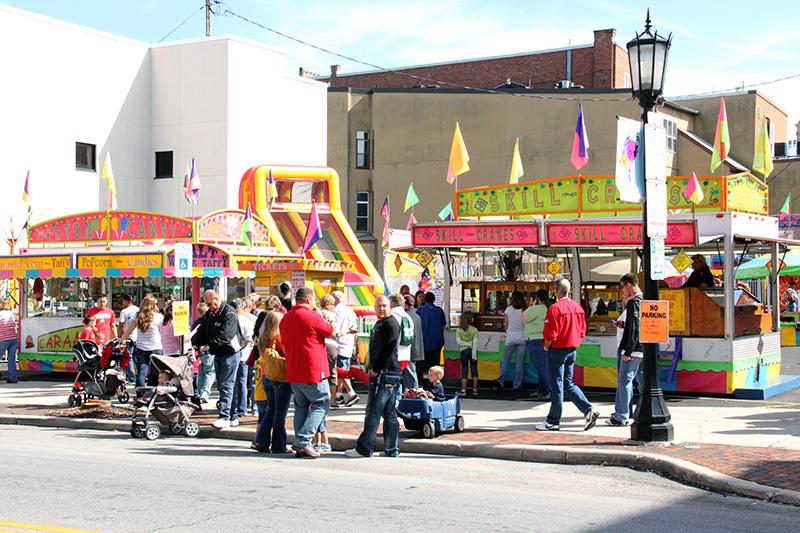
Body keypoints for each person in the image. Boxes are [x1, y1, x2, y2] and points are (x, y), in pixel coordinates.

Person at [536, 278, 599, 432]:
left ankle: (553, 420)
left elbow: (550, 334)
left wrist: (546, 346)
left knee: (557, 385)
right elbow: (582, 331)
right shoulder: (577, 307)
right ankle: (588, 410)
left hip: (557, 349)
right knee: (568, 383)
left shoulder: (554, 309)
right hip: (572, 349)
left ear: (556, 291)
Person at [279, 287, 334, 459]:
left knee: (301, 406)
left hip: (294, 369)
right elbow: (330, 330)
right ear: (309, 300)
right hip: (313, 369)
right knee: (322, 403)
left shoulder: (286, 318)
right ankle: (303, 440)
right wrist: (318, 313)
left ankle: (302, 444)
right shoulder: (312, 316)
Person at [345, 295, 402, 458]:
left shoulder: (391, 323)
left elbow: (388, 348)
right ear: (374, 308)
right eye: (379, 306)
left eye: (385, 306)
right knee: (388, 412)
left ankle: (364, 449)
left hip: (385, 373)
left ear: (390, 306)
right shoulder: (380, 323)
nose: (382, 309)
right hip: (387, 372)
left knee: (373, 411)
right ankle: (391, 449)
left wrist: (376, 369)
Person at [191, 290, 244, 429]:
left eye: (210, 303)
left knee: (227, 385)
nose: (209, 307)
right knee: (223, 385)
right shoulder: (209, 314)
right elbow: (202, 330)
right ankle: (232, 415)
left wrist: (208, 346)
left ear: (217, 299)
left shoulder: (229, 313)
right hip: (218, 353)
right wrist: (196, 344)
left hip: (230, 353)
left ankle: (225, 416)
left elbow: (226, 335)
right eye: (207, 304)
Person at [251, 310, 292, 454]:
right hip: (279, 377)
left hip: (266, 375)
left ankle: (261, 440)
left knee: (271, 410)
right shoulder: (279, 337)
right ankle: (278, 445)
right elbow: (288, 354)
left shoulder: (262, 337)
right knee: (280, 412)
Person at [607, 273, 645, 426]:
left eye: (622, 287)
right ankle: (640, 410)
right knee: (641, 381)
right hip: (642, 348)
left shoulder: (634, 303)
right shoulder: (643, 301)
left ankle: (622, 415)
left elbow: (635, 328)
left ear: (629, 285)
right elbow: (635, 326)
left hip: (633, 349)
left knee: (624, 380)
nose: (621, 291)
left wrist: (628, 351)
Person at [315, 294, 341, 452]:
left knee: (323, 372)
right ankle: (332, 399)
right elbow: (334, 332)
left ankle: (316, 440)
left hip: (319, 345)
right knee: (332, 373)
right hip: (331, 345)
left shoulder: (317, 314)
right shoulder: (331, 315)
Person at [121, 295, 164, 388]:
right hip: (156, 347)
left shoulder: (138, 316)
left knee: (142, 372)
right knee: (154, 373)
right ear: (153, 305)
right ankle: (151, 394)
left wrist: (121, 339)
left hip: (141, 347)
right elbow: (162, 332)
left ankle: (140, 393)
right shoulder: (158, 317)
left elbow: (129, 330)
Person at [332, 291, 360, 407]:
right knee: (343, 371)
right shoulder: (350, 310)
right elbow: (356, 328)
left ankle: (351, 393)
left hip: (339, 344)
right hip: (348, 344)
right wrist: (355, 345)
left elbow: (335, 329)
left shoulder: (335, 311)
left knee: (341, 372)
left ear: (336, 299)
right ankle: (338, 395)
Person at [495, 291, 526, 391]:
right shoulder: (524, 310)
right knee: (519, 362)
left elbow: (506, 324)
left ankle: (500, 382)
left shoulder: (508, 309)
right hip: (522, 337)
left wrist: (507, 334)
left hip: (510, 337)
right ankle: (517, 384)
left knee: (506, 361)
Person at [524, 289, 550, 400]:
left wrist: (531, 305)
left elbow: (524, 317)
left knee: (542, 368)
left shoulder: (535, 309)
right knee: (542, 367)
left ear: (536, 299)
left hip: (534, 340)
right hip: (544, 339)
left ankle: (551, 390)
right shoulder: (548, 308)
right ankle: (542, 390)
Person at [233, 298, 255, 422]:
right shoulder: (246, 320)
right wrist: (241, 347)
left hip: (232, 355)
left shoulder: (230, 319)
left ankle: (234, 407)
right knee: (242, 382)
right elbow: (249, 338)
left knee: (232, 383)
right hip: (244, 355)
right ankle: (242, 408)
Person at [416, 291, 447, 381]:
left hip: (423, 342)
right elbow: (443, 325)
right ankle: (435, 381)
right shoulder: (439, 311)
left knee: (424, 364)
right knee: (435, 363)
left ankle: (425, 381)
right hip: (436, 342)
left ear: (425, 300)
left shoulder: (420, 311)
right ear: (434, 300)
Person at [193, 302, 215, 403]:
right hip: (208, 349)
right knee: (209, 372)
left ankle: (199, 392)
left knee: (201, 372)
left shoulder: (196, 322)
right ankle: (205, 393)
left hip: (199, 350)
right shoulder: (209, 322)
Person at [403, 294, 425, 390]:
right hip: (415, 349)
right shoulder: (416, 316)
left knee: (409, 374)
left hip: (407, 349)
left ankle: (413, 394)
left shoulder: (406, 317)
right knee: (411, 372)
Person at [456, 312, 479, 396]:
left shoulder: (459, 330)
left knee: (464, 369)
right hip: (473, 351)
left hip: (463, 351)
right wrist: (471, 346)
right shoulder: (475, 330)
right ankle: (475, 390)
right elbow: (475, 343)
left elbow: (459, 342)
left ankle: (463, 390)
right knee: (474, 370)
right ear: (471, 319)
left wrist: (466, 343)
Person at [0, 300, 19, 383]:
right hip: (13, 339)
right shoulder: (10, 313)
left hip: (3, 339)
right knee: (12, 359)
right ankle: (13, 378)